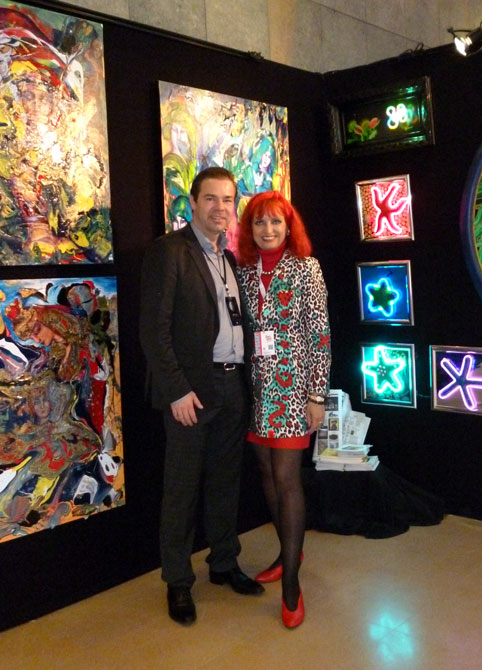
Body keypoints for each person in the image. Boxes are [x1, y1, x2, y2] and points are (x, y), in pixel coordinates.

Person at [139, 167, 264, 626]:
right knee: (182, 488)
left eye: (227, 200)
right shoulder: (170, 251)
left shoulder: (228, 258)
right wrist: (177, 390)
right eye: (210, 198)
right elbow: (153, 331)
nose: (220, 208)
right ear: (193, 202)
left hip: (232, 386)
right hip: (191, 392)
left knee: (225, 482)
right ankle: (177, 580)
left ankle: (224, 563)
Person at [236, 191, 331, 628]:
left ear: (288, 226)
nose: (268, 230)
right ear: (250, 229)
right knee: (268, 477)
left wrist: (317, 395)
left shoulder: (306, 268)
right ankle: (288, 551)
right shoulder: (243, 270)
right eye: (260, 222)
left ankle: (292, 585)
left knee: (287, 478)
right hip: (256, 389)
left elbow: (320, 335)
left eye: (276, 221)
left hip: (294, 389)